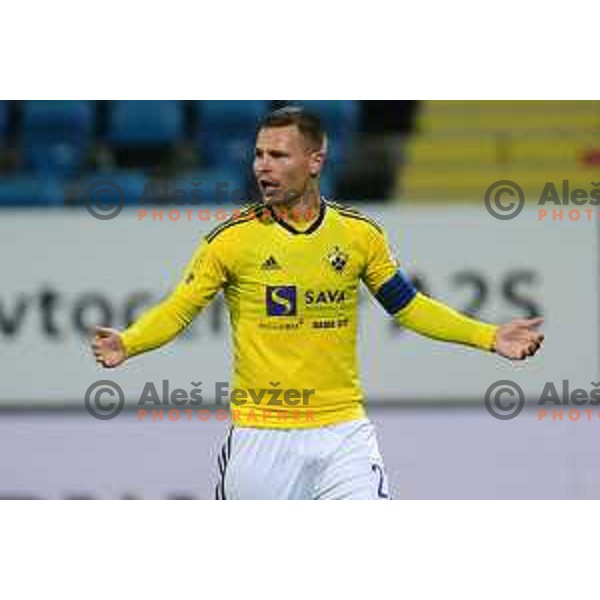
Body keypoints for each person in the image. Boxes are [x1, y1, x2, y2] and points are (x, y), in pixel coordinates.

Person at [91, 106, 544, 499]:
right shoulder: (230, 242)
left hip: (343, 431)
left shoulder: (358, 234)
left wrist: (489, 336)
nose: (262, 167)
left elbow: (408, 306)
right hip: (261, 436)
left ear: (314, 161)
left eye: (278, 155)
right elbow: (179, 308)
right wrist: (128, 342)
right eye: (259, 154)